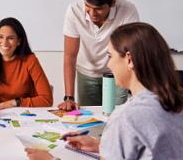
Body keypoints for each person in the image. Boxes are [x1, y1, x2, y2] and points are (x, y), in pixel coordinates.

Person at [26, 22, 183, 159]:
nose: (109, 65)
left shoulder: (127, 117)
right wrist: (101, 144)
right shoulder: (175, 100)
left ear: (129, 59)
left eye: (110, 56)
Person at [58, 0, 139, 110]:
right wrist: (69, 97)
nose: (92, 13)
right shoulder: (74, 10)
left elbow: (132, 53)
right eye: (88, 7)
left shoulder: (128, 10)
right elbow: (69, 56)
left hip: (117, 72)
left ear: (113, 3)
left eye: (98, 9)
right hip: (87, 72)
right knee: (89, 119)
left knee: (117, 115)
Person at [0, 17, 53, 120]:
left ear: (19, 41)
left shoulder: (30, 60)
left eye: (10, 38)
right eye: (0, 37)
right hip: (1, 116)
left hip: (28, 115)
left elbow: (47, 99)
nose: (4, 42)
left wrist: (14, 102)